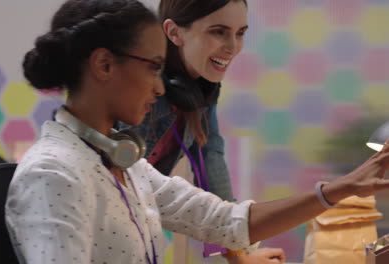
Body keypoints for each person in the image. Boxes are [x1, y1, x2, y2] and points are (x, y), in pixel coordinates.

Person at [5, 0, 389, 264]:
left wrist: (345, 187)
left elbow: (227, 221)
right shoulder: (53, 174)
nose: (160, 89)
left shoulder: (127, 166)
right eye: (153, 68)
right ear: (104, 65)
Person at [118, 0, 283, 262]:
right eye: (218, 31)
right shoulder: (140, 91)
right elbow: (124, 187)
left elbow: (211, 159)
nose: (233, 47)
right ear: (174, 33)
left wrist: (239, 255)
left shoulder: (200, 88)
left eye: (240, 33)